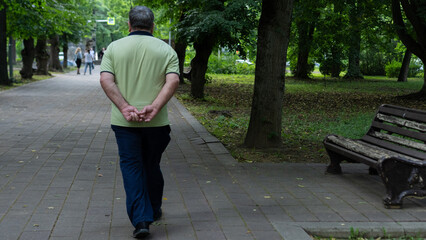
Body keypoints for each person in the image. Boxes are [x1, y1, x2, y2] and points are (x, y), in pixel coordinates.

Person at [100, 6, 179, 239]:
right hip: (157, 123)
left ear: (129, 25)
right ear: (153, 26)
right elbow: (173, 80)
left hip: (125, 124)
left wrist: (124, 107)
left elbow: (105, 79)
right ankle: (153, 209)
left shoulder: (114, 48)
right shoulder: (166, 50)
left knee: (132, 168)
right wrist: (155, 107)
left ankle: (142, 220)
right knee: (151, 165)